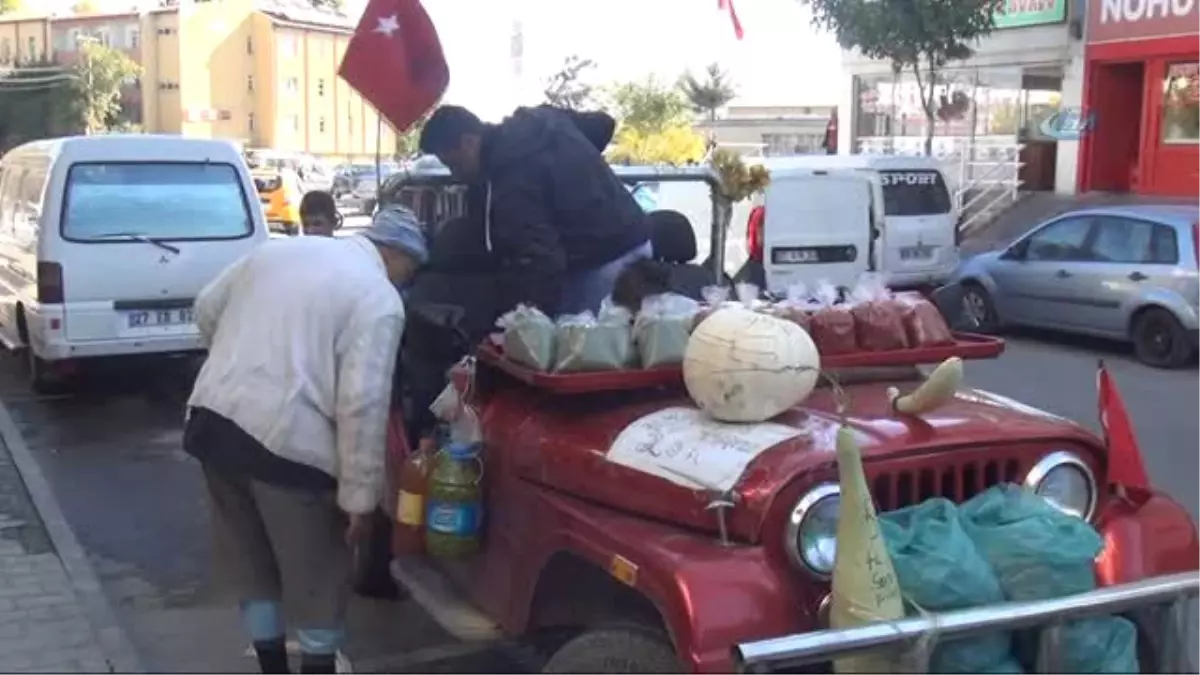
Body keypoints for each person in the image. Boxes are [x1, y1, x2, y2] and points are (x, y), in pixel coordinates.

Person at [182, 207, 427, 674]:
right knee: (318, 576)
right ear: (395, 255)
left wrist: (241, 364)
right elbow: (361, 401)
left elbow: (206, 307)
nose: (405, 282)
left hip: (212, 423)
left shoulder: (277, 252)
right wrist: (359, 501)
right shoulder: (377, 298)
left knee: (250, 563)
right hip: (288, 447)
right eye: (409, 271)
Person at [418, 104, 652, 316]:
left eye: (454, 164)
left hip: (599, 262)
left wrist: (529, 325)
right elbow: (602, 124)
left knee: (585, 350)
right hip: (638, 237)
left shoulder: (509, 181)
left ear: (469, 142)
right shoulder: (542, 120)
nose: (455, 175)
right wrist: (576, 172)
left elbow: (541, 260)